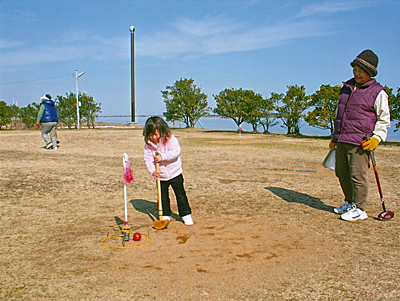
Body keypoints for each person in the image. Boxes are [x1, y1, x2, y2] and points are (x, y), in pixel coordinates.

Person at [330, 50, 391, 221]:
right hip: (342, 139)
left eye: (360, 70)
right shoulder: (346, 88)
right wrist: (334, 137)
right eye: (354, 69)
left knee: (357, 175)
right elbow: (339, 114)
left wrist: (377, 138)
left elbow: (384, 118)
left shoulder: (378, 92)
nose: (356, 73)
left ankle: (360, 208)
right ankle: (349, 202)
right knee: (341, 173)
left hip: (361, 142)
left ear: (370, 72)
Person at [143, 116, 193, 226]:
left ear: (162, 130)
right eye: (151, 135)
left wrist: (163, 157)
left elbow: (176, 151)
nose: (154, 137)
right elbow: (148, 160)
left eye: (156, 134)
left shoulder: (170, 139)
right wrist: (153, 171)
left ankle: (186, 215)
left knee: (180, 195)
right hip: (161, 176)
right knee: (163, 196)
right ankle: (165, 214)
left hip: (175, 172)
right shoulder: (148, 146)